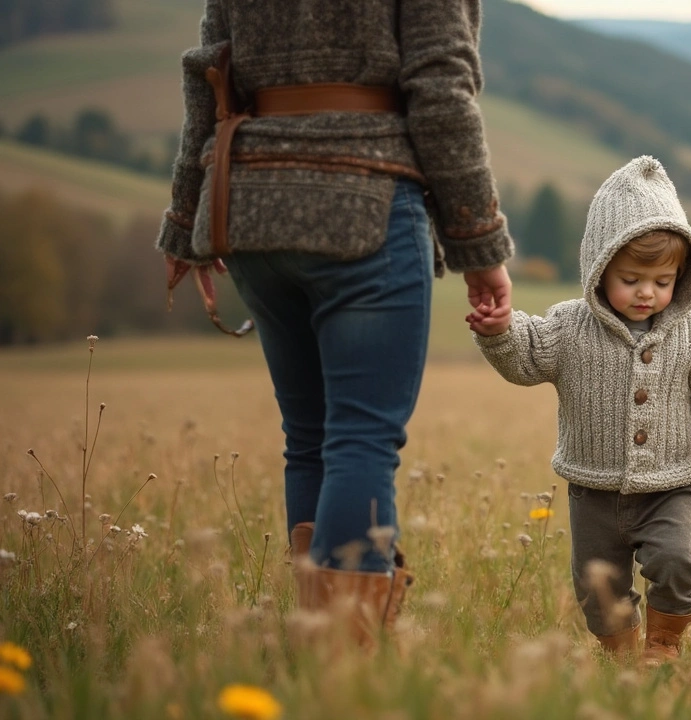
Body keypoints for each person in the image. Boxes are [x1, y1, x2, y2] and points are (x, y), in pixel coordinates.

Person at [157, 0, 514, 642]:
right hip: (367, 204)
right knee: (360, 439)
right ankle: (343, 661)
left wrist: (187, 223)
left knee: (311, 438)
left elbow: (208, 74)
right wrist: (480, 246)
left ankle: (318, 640)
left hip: (252, 208)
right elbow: (441, 87)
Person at [467, 156, 691, 663]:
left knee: (673, 562)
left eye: (664, 280)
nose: (648, 292)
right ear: (599, 268)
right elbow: (526, 356)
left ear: (682, 276)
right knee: (597, 587)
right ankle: (623, 657)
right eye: (631, 279)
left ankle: (665, 640)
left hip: (670, 485)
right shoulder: (569, 326)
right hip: (593, 488)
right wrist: (499, 331)